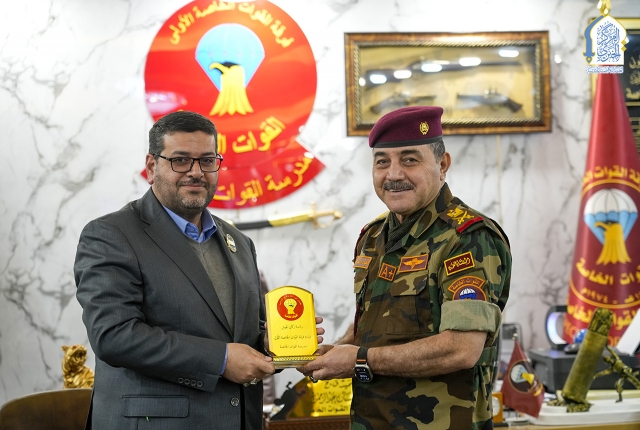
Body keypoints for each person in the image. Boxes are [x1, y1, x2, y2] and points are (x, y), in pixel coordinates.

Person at [298, 106, 512, 429]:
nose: (394, 175)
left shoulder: (468, 238)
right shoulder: (372, 237)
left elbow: (461, 349)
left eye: (409, 160)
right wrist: (336, 351)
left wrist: (358, 359)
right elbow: (377, 325)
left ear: (442, 165)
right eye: (382, 161)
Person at [74, 111, 276, 430]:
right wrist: (222, 359)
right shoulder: (111, 234)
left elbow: (243, 334)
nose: (196, 172)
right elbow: (113, 335)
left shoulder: (239, 242)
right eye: (180, 160)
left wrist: (275, 342)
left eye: (207, 161)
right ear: (151, 166)